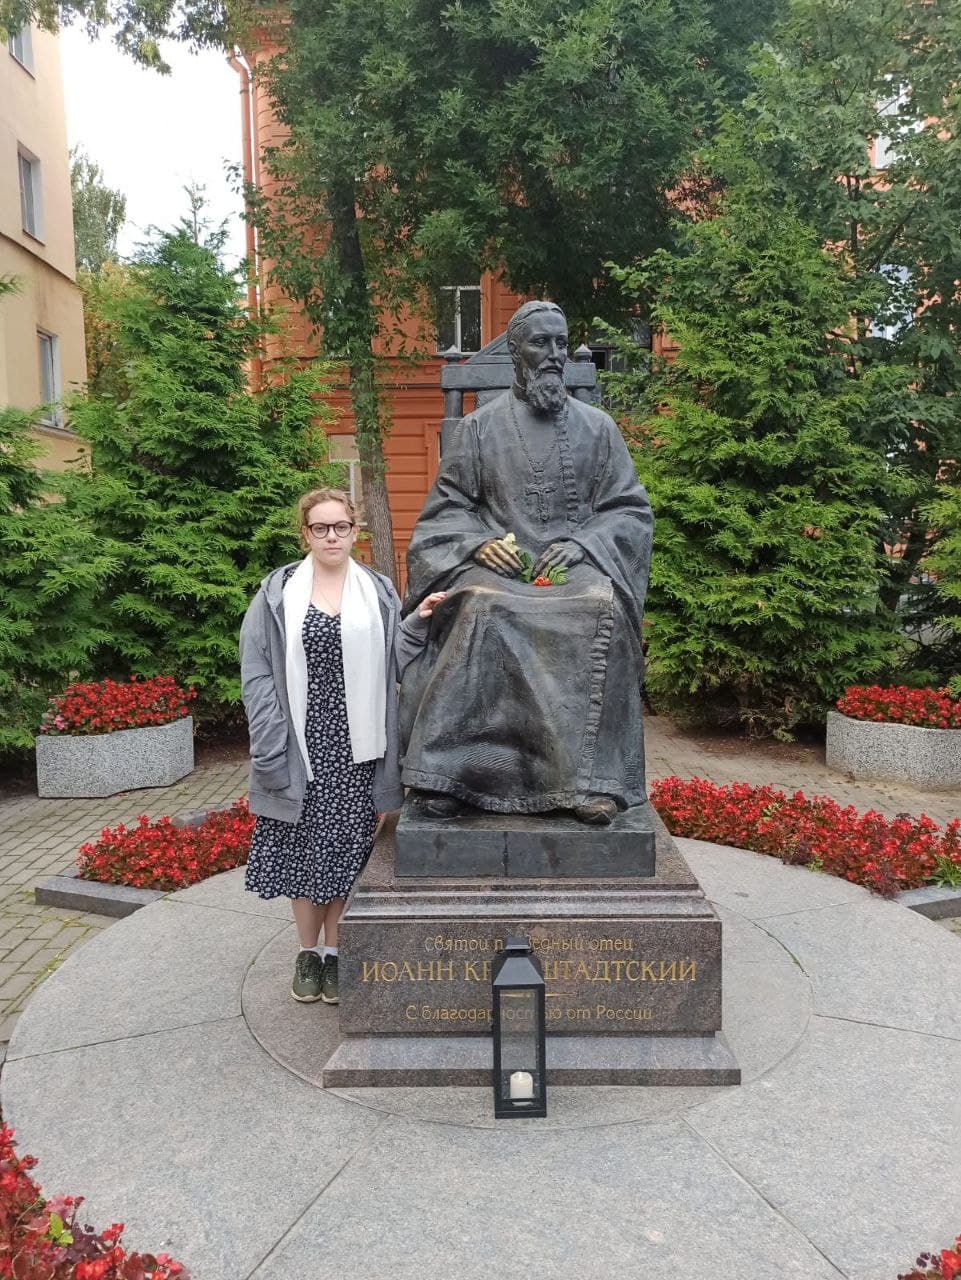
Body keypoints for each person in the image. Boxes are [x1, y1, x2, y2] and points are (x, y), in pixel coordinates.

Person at [400, 301, 653, 826]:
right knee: (478, 606)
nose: (554, 354)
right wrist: (477, 544)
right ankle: (454, 777)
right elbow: (445, 512)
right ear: (516, 352)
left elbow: (629, 511)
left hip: (575, 567)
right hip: (498, 568)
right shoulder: (477, 429)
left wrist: (584, 544)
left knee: (599, 609)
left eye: (561, 343)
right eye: (541, 343)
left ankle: (588, 784)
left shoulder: (599, 428)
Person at [240, 487, 443, 1005]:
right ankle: (307, 953)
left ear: (355, 531)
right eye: (320, 528)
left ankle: (335, 953)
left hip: (357, 749)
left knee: (347, 853)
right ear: (305, 533)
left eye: (340, 527)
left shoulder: (375, 589)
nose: (331, 536)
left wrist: (418, 620)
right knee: (302, 855)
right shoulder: (276, 593)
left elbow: (394, 658)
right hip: (298, 746)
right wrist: (268, 740)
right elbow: (257, 672)